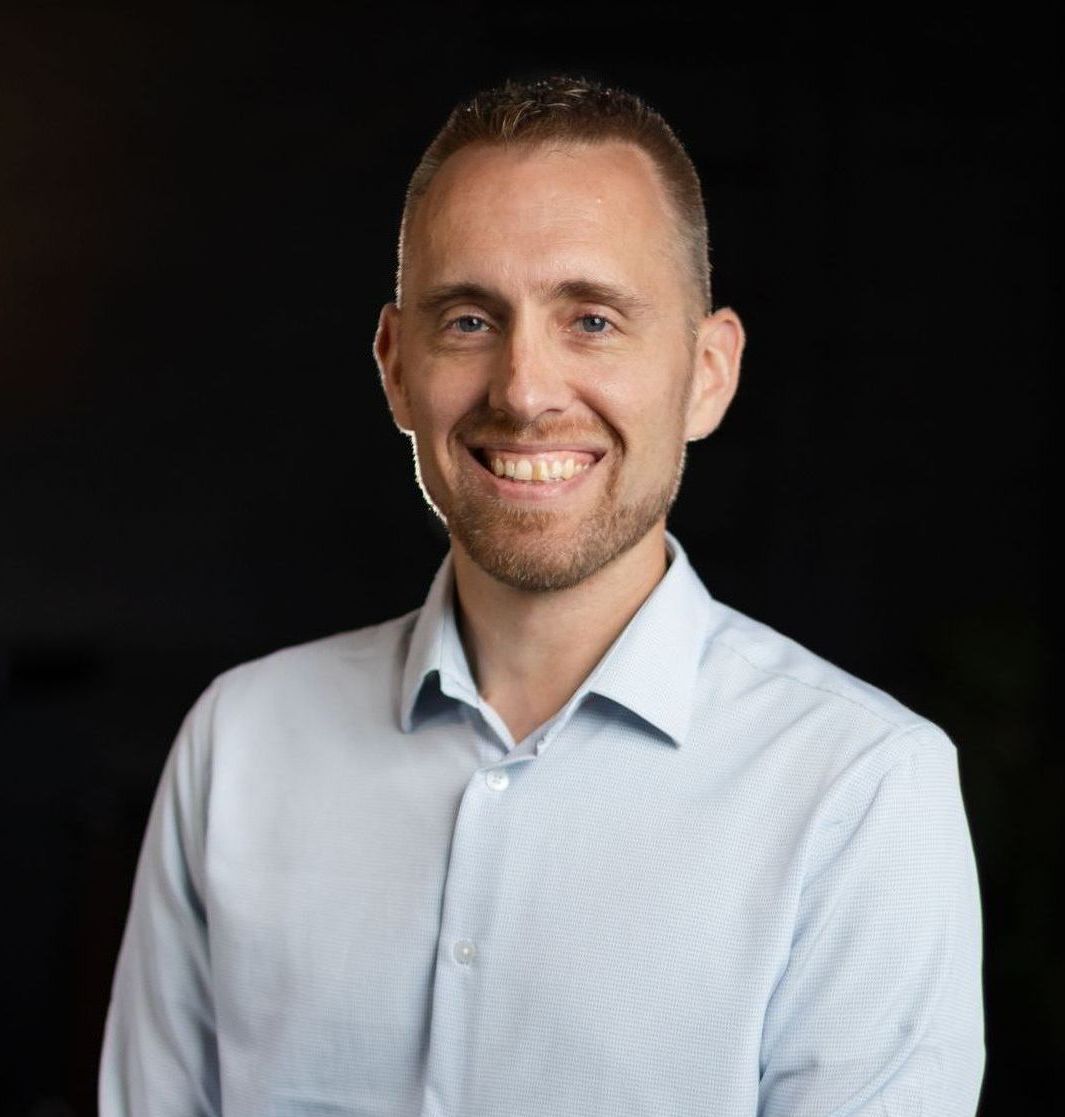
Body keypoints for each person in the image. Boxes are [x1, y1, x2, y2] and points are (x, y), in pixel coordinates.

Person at [99, 76, 985, 1116]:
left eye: (594, 320)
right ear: (395, 366)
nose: (523, 390)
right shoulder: (238, 743)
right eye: (470, 318)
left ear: (707, 372)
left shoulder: (862, 789)